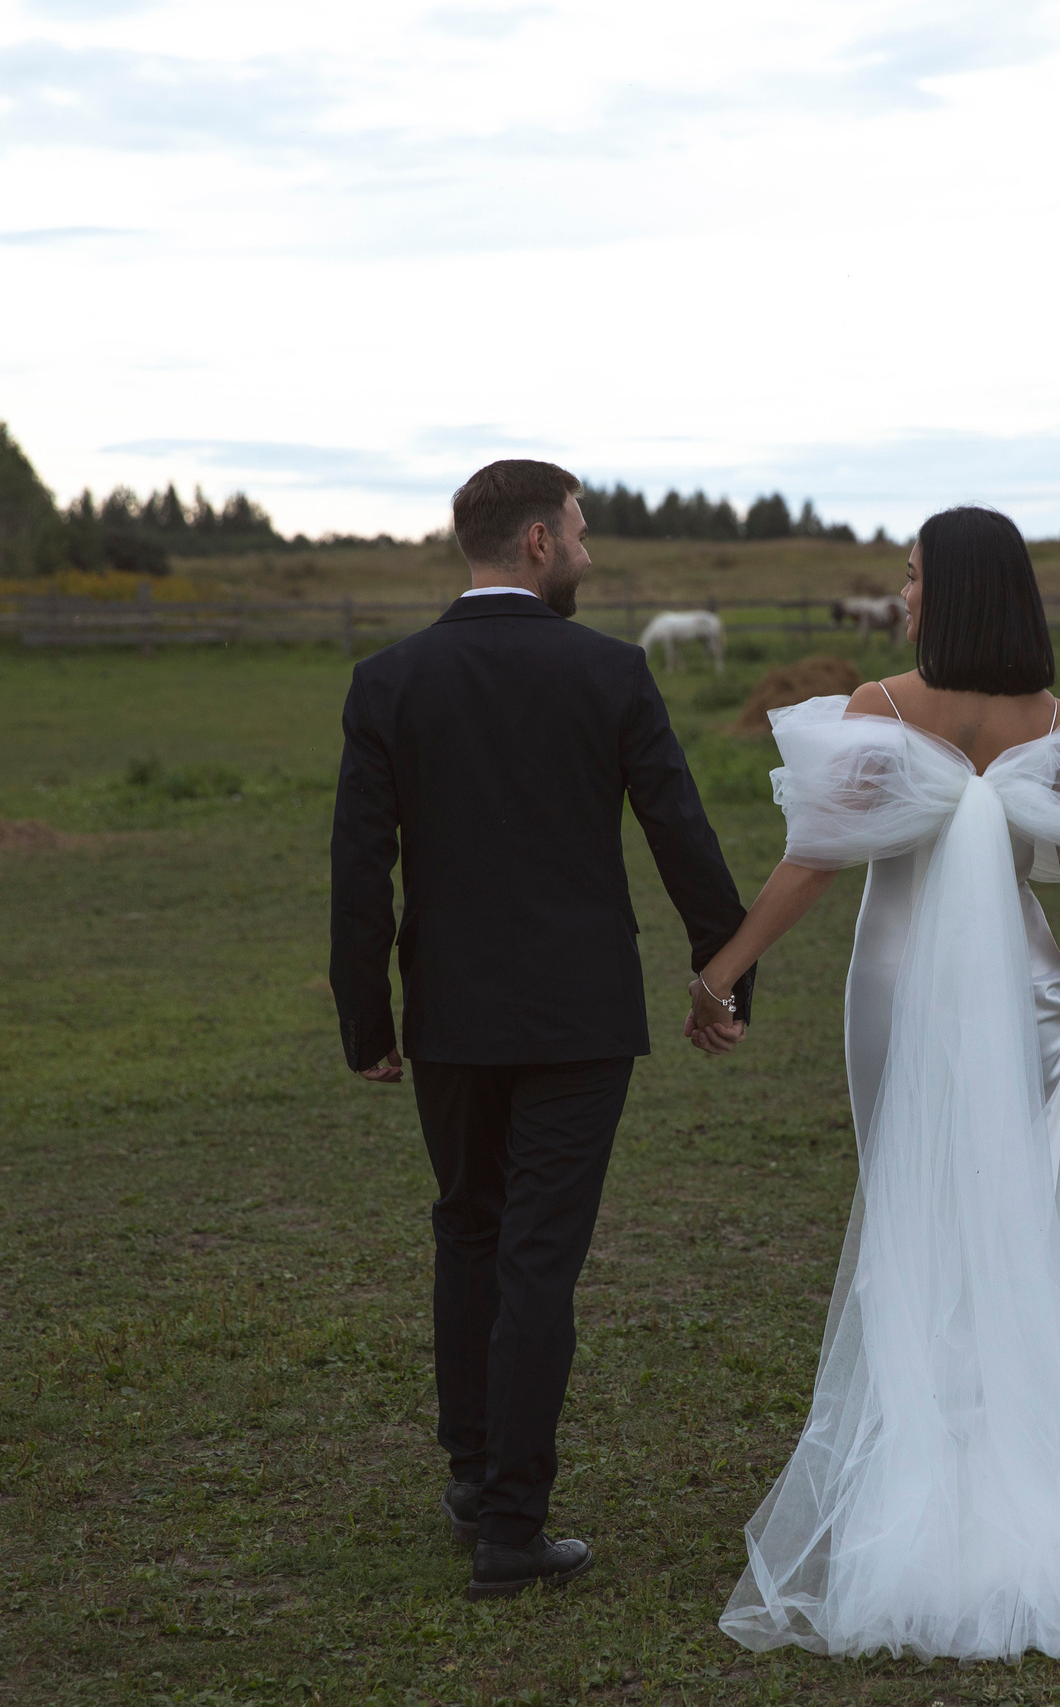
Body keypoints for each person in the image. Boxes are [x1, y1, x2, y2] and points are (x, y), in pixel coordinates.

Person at [684, 506, 1060, 1665]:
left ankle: (911, 1490)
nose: (901, 593)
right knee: (1015, 1215)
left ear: (953, 593)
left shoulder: (882, 708)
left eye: (913, 578)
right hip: (1021, 990)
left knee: (911, 1215)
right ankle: (1024, 1493)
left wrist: (723, 970)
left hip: (899, 979)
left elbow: (812, 858)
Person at [329, 459, 754, 1601]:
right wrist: (726, 974)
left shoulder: (391, 680)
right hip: (577, 1017)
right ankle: (508, 1525)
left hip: (453, 1015)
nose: (586, 549)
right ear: (532, 544)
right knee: (536, 1260)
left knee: (468, 1232)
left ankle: (474, 1478)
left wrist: (366, 1017)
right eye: (576, 530)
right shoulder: (608, 673)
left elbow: (360, 868)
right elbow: (679, 830)